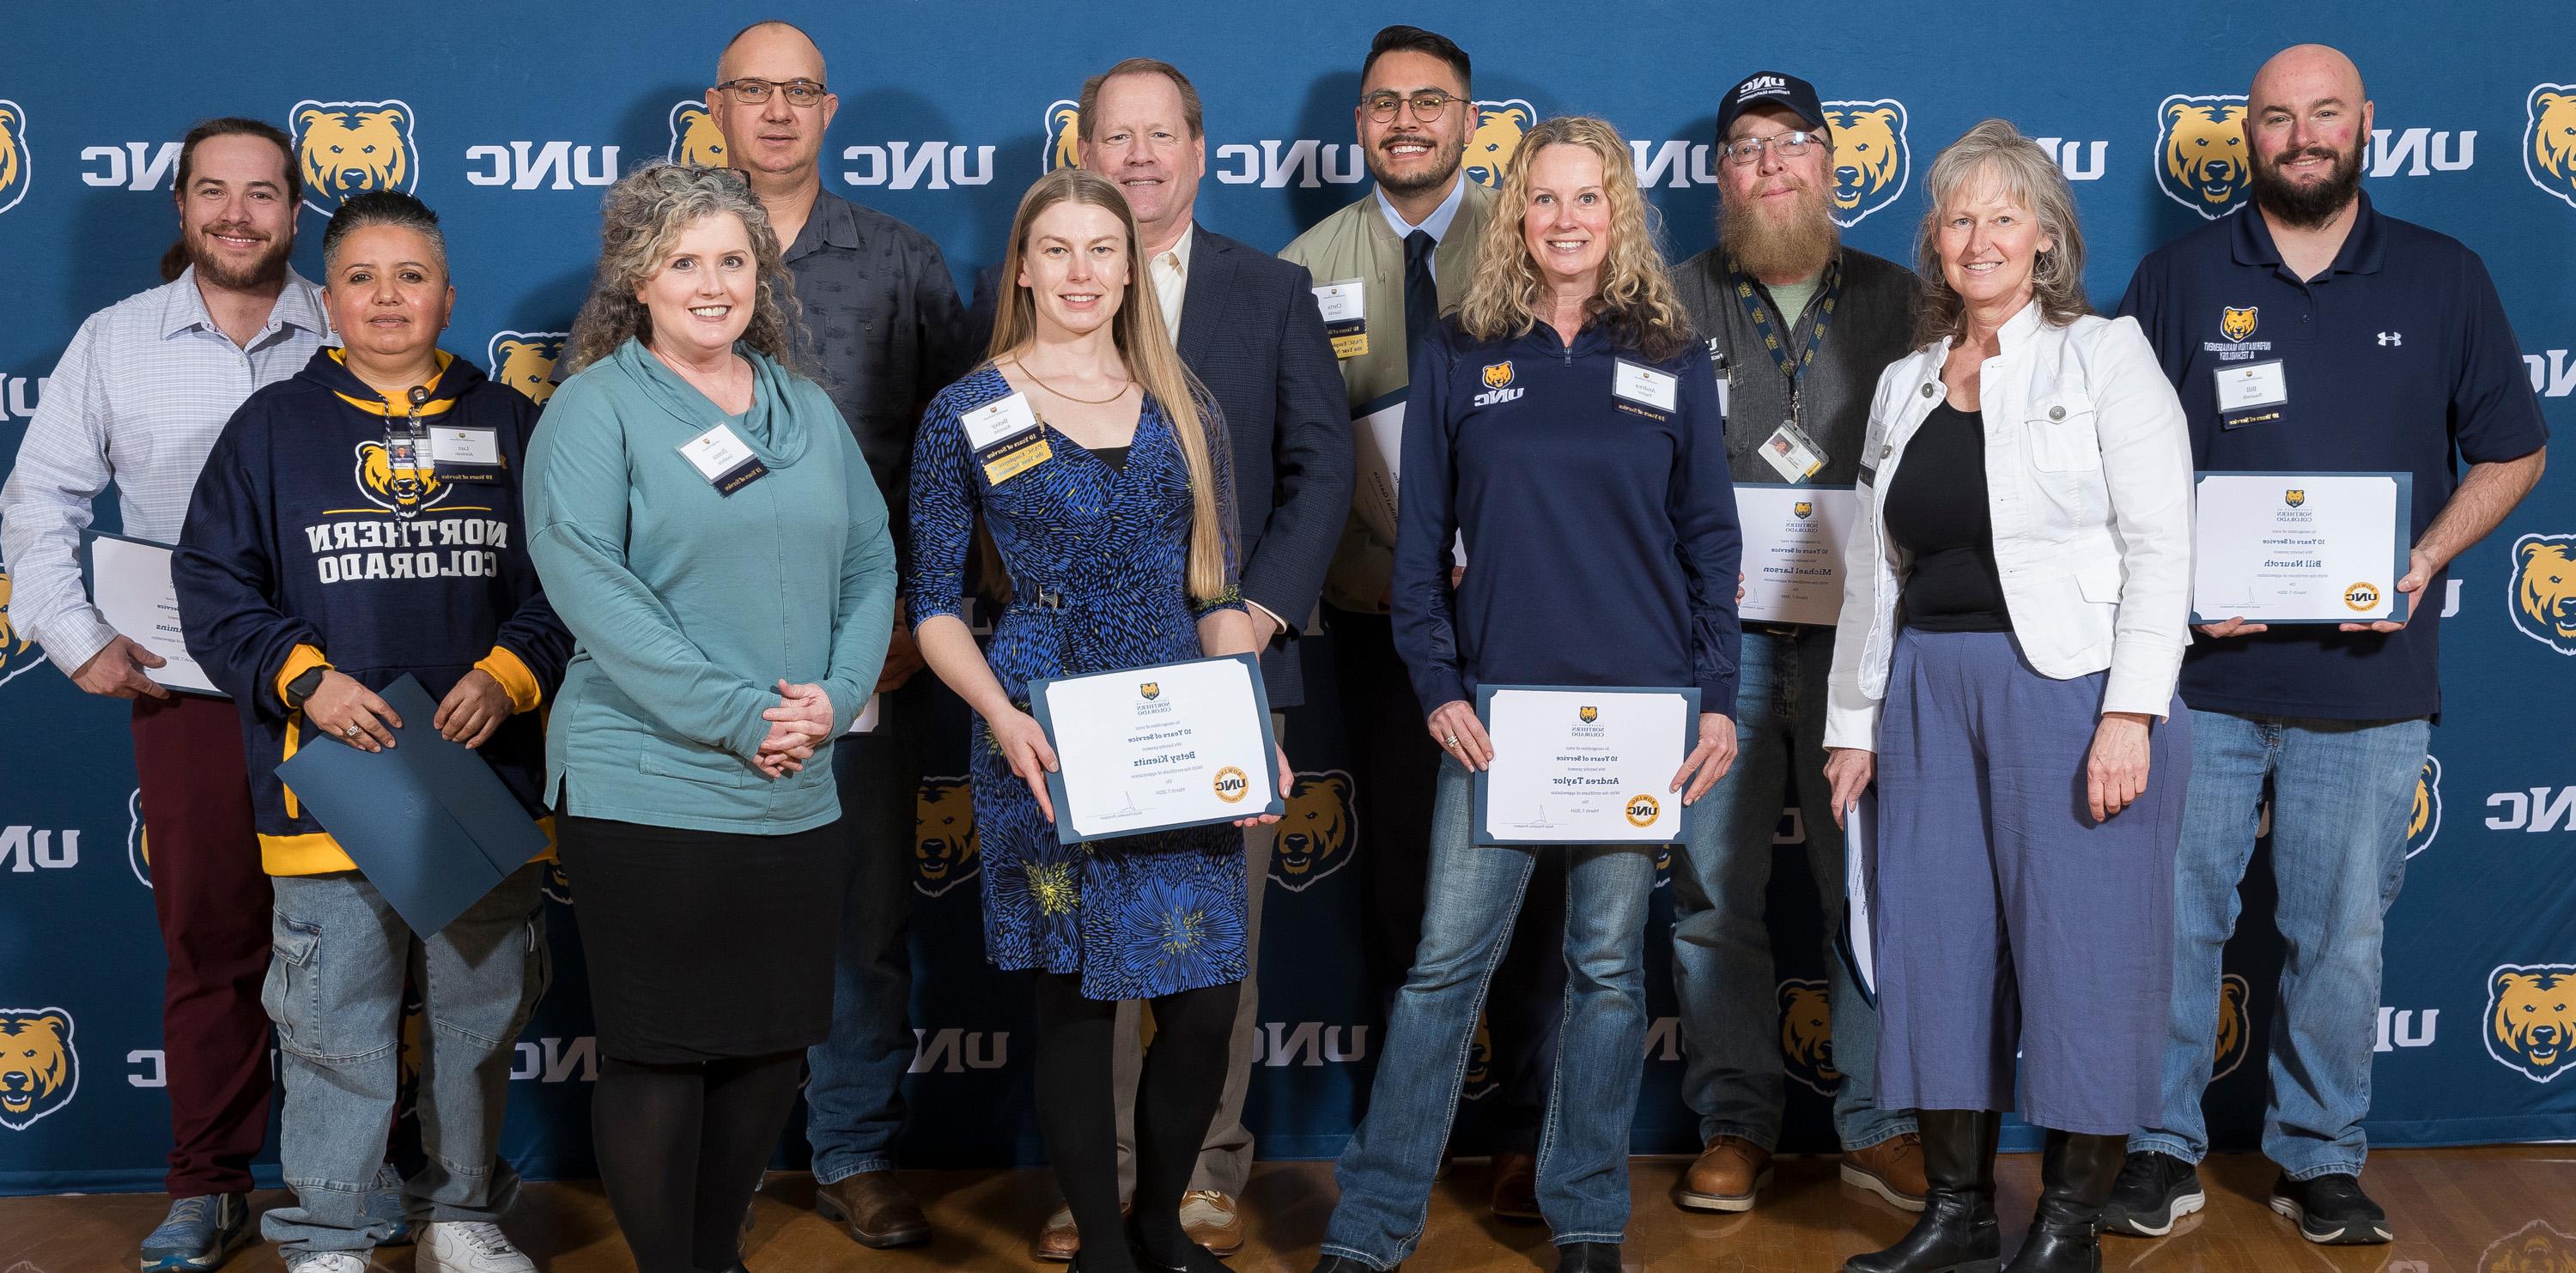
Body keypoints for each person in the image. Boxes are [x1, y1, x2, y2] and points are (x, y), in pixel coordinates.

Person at [2101, 45, 2549, 1247]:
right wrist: (2184, 582)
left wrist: (2423, 556)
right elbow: (2105, 463)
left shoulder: (2444, 277)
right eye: (2276, 117)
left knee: (2340, 929)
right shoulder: (2178, 278)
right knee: (2169, 917)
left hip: (2371, 679)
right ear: (2247, 135)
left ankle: (2319, 1155)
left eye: (2325, 115)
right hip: (2195, 675)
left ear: (2365, 127)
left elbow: (2513, 449)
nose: (2302, 135)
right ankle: (2158, 1146)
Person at [1311, 116, 1741, 1273]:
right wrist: (1438, 681)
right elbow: (1417, 550)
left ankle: (1591, 1215)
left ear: (1620, 213)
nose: (1565, 220)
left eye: (1587, 198)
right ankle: (1371, 1219)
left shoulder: (1670, 351)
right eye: (1543, 199)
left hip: (1639, 711)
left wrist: (1716, 697)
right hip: (1499, 711)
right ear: (1516, 214)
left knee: (1606, 971)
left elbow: (1710, 534)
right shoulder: (1462, 346)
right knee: (1446, 966)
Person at [0, 117, 403, 1273]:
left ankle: (367, 1173)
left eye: (264, 194)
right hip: (191, 693)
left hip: (348, 687)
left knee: (375, 937)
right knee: (211, 942)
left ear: (297, 211)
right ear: (179, 205)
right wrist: (74, 636)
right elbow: (39, 503)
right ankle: (207, 1182)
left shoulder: (354, 321)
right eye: (214, 192)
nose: (238, 214)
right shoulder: (116, 342)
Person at [973, 57, 1348, 1261]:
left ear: (1198, 149)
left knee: (1205, 959)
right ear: (1081, 153)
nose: (1137, 156)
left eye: (1159, 136)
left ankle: (1202, 1173)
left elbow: (1321, 471)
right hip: (1066, 690)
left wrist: (1257, 628)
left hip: (1221, 681)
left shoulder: (1273, 289)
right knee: (1084, 956)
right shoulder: (1011, 343)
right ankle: (1106, 1192)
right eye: (1114, 136)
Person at [1820, 120, 2196, 1273]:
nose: (1977, 237)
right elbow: (1874, 569)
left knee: (2085, 952)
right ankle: (1956, 1210)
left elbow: (2162, 540)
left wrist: (2131, 709)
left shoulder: (2106, 354)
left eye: (2003, 216)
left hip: (2075, 690)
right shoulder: (1903, 381)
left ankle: (2069, 1223)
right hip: (1928, 685)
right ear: (1935, 241)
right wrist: (1849, 721)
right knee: (1936, 948)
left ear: (2046, 239)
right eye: (1958, 217)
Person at [171, 190, 566, 1273]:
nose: (387, 297)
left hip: (476, 788)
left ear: (448, 291)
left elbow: (569, 585)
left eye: (410, 276)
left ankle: (463, 1212)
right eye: (361, 277)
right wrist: (306, 681)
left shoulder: (513, 423)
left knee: (478, 1017)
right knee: (333, 1023)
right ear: (327, 295)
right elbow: (212, 585)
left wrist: (507, 673)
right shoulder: (271, 428)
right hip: (329, 787)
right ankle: (334, 1226)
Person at [908, 166, 1290, 1273]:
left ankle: (1162, 1223)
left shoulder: (1186, 400)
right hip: (1044, 729)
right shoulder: (967, 411)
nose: (1083, 272)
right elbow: (934, 607)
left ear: (1134, 266)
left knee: (1208, 1002)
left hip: (1181, 725)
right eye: (1059, 250)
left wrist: (1250, 724)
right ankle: (1104, 1251)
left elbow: (1216, 591)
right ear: (1022, 266)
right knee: (1077, 1002)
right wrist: (1001, 715)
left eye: (1103, 250)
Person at [524, 161, 897, 1273]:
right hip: (648, 781)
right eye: (685, 259)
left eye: (733, 259)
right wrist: (744, 714)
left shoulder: (804, 405)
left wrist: (833, 697)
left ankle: (718, 1258)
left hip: (796, 782)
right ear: (639, 276)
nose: (713, 280)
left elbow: (873, 561)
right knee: (661, 1049)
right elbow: (594, 590)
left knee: (770, 1043)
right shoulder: (598, 408)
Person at [1278, 26, 1570, 1221]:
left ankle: (1525, 1132)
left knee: (1538, 881)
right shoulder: (1304, 265)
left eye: (1431, 102)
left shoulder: (1535, 241)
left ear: (1469, 120)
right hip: (1380, 627)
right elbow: (1298, 450)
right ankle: (1419, 1120)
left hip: (1527, 626)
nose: (1407, 120)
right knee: (1402, 878)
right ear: (1361, 124)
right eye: (1385, 103)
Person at [694, 19, 973, 1250]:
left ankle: (853, 1146)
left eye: (797, 91)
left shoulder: (903, 260)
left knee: (860, 911)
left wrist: (916, 614)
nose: (775, 112)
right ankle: (721, 1150)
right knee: (714, 903)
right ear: (718, 106)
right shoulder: (663, 255)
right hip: (696, 653)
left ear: (828, 108)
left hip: (867, 645)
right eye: (752, 91)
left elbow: (952, 459)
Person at [1664, 69, 1928, 1215]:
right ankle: (1735, 1118)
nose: (1770, 166)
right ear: (1719, 177)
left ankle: (1877, 1120)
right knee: (1714, 890)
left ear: (1831, 163)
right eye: (1746, 149)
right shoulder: (1668, 300)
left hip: (1858, 647)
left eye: (1792, 145)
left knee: (1861, 884)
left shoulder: (1904, 298)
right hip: (1716, 646)